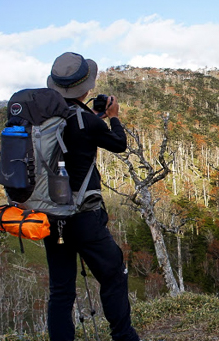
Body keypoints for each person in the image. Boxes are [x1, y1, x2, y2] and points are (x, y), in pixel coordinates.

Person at [44, 52, 140, 341]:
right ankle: (124, 336)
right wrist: (113, 117)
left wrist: (95, 118)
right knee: (113, 274)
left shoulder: (46, 118)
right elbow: (119, 144)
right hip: (84, 218)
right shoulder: (88, 121)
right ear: (86, 88)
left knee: (60, 291)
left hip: (50, 216)